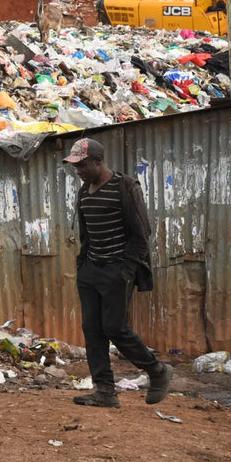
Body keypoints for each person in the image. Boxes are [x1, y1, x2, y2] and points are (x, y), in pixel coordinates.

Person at [65, 138, 172, 408]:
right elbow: (86, 234)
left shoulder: (125, 187)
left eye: (82, 165)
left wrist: (126, 270)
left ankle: (158, 371)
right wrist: (83, 265)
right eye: (75, 167)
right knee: (92, 329)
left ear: (98, 162)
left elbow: (141, 233)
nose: (78, 171)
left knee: (114, 327)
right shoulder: (84, 191)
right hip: (90, 269)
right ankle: (105, 391)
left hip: (116, 270)